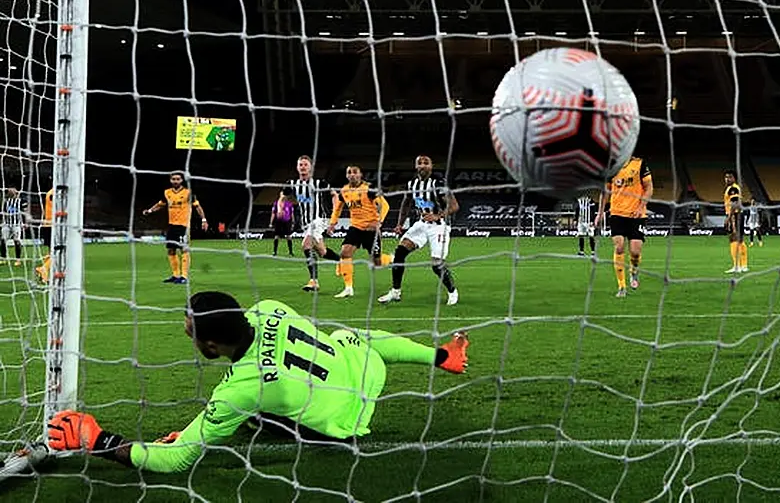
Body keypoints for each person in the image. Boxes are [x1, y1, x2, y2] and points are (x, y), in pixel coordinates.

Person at [47, 291, 470, 473]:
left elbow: (176, 462)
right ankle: (443, 357)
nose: (186, 333)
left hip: (343, 427)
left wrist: (96, 437)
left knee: (247, 412)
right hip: (365, 371)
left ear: (212, 347)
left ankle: (250, 423)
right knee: (349, 336)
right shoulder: (269, 307)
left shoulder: (239, 390)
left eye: (191, 330)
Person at [377, 155, 459, 306]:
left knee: (436, 265)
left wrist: (437, 215)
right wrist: (399, 224)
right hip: (421, 225)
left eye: (426, 163)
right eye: (419, 163)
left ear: (431, 166)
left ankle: (452, 291)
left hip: (439, 226)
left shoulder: (438, 183)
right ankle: (395, 292)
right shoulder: (412, 184)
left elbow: (454, 206)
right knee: (400, 253)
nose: (422, 166)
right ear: (416, 166)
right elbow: (406, 203)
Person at [327, 166, 390, 299]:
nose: (352, 175)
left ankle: (390, 259)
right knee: (345, 253)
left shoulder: (369, 189)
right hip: (355, 227)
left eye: (355, 172)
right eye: (349, 172)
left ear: (361, 175)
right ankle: (348, 288)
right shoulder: (344, 191)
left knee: (376, 263)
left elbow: (385, 205)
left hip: (371, 229)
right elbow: (338, 208)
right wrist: (332, 223)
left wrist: (379, 222)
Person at [596, 156, 653, 298]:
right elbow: (605, 192)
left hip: (636, 215)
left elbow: (649, 188)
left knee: (635, 252)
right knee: (619, 247)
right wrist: (600, 212)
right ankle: (621, 286)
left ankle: (634, 271)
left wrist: (641, 207)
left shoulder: (639, 164)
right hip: (617, 213)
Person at [142, 172, 209, 284]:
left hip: (184, 225)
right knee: (171, 249)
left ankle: (184, 276)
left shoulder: (188, 193)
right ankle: (175, 275)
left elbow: (197, 206)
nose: (176, 181)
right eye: (173, 179)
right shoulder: (167, 192)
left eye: (178, 179)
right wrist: (150, 210)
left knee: (184, 249)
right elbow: (160, 204)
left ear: (182, 180)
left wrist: (204, 219)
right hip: (172, 225)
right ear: (170, 180)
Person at [290, 155, 340, 292]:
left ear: (311, 167)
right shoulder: (293, 184)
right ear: (297, 167)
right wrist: (281, 206)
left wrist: (334, 216)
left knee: (306, 245)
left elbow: (334, 195)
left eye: (305, 164)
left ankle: (314, 281)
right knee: (322, 252)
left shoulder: (319, 183)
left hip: (318, 220)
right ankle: (344, 262)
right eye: (300, 165)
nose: (303, 167)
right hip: (306, 224)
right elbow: (283, 194)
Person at [723, 170, 748, 273]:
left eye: (729, 177)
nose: (727, 179)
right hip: (738, 214)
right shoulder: (733, 188)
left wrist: (729, 217)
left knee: (733, 239)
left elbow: (735, 203)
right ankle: (744, 265)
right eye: (726, 177)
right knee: (740, 240)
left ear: (734, 178)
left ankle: (736, 266)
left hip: (735, 215)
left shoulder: (733, 188)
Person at [0, 188, 25, 266]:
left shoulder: (21, 201)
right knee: (3, 240)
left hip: (16, 224)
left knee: (16, 241)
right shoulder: (6, 201)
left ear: (15, 193)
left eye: (12, 191)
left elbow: (25, 212)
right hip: (6, 224)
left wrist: (24, 223)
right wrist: (2, 221)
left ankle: (18, 260)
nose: (10, 193)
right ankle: (3, 258)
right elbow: (3, 212)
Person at [269, 187, 296, 257]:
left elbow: (291, 214)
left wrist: (293, 222)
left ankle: (290, 252)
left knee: (288, 236)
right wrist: (271, 222)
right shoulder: (276, 203)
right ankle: (274, 252)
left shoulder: (289, 204)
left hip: (287, 222)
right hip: (279, 221)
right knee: (276, 236)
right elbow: (273, 213)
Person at [34, 187, 53, 284]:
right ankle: (44, 268)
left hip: (48, 225)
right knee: (60, 252)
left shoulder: (49, 192)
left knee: (51, 252)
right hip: (54, 226)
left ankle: (45, 276)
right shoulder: (54, 193)